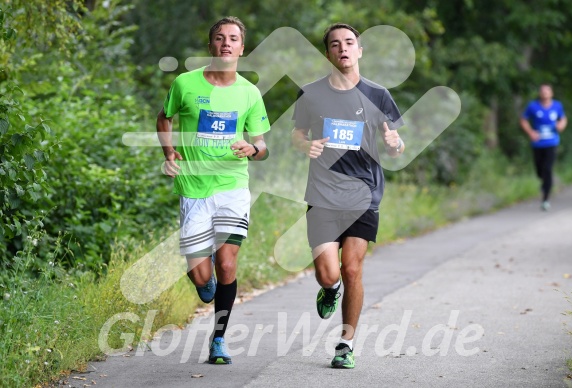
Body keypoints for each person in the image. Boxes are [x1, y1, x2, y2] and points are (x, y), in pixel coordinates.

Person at [156, 16, 270, 365]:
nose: (226, 44)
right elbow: (164, 118)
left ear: (242, 48)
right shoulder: (185, 84)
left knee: (226, 262)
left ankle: (219, 339)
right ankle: (206, 288)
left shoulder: (249, 93)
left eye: (233, 39)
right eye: (219, 38)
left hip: (232, 186)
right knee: (201, 275)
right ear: (210, 46)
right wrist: (169, 150)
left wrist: (253, 150)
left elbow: (262, 146)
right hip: (193, 187)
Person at [291, 23, 405, 369]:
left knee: (352, 268)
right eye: (335, 44)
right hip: (323, 195)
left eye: (349, 43)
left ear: (359, 50)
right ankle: (329, 290)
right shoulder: (310, 94)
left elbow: (397, 145)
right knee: (329, 274)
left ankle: (346, 343)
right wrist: (305, 144)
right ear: (327, 53)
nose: (343, 48)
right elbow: (296, 134)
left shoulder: (379, 94)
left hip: (364, 195)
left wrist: (394, 144)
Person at [520, 84, 567, 211]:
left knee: (547, 169)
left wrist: (561, 125)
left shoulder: (557, 106)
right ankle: (546, 181)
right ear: (540, 93)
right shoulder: (533, 106)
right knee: (540, 170)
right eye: (543, 91)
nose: (545, 93)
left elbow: (563, 119)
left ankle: (545, 199)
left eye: (547, 91)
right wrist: (530, 132)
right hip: (538, 143)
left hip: (552, 142)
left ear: (551, 93)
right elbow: (523, 120)